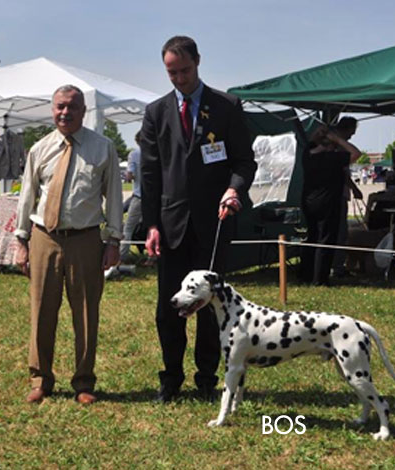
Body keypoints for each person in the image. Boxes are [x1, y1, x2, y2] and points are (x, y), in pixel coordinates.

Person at [140, 36, 257, 403]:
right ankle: (170, 378)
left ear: (198, 62)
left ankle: (206, 378)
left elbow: (244, 161)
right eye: (172, 73)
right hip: (171, 226)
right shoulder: (156, 112)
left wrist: (234, 189)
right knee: (169, 308)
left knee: (210, 306)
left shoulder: (226, 106)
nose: (179, 78)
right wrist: (151, 224)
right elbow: (150, 173)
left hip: (214, 223)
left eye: (185, 70)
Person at [13, 85, 122, 405]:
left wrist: (113, 240)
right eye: (60, 106)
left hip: (86, 239)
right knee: (41, 312)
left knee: (86, 314)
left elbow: (114, 197)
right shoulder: (39, 149)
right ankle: (40, 379)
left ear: (83, 111)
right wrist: (21, 240)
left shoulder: (103, 148)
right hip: (44, 238)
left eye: (72, 107)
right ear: (52, 110)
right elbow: (27, 197)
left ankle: (84, 382)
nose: (65, 112)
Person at [300, 125, 361, 286]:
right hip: (328, 202)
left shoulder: (307, 154)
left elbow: (311, 141)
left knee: (312, 237)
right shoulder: (332, 158)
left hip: (309, 201)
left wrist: (320, 133)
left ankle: (306, 274)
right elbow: (356, 154)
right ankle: (320, 278)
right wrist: (338, 139)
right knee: (326, 240)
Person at [331, 117, 363, 278]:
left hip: (335, 195)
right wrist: (355, 188)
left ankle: (336, 265)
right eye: (351, 132)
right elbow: (343, 172)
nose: (352, 136)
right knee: (340, 232)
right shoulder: (338, 147)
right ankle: (337, 266)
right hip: (337, 196)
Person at [120, 132, 144, 263]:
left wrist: (127, 176)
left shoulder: (134, 154)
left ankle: (122, 256)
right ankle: (153, 257)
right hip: (155, 196)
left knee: (128, 228)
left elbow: (130, 175)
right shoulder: (157, 151)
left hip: (139, 195)